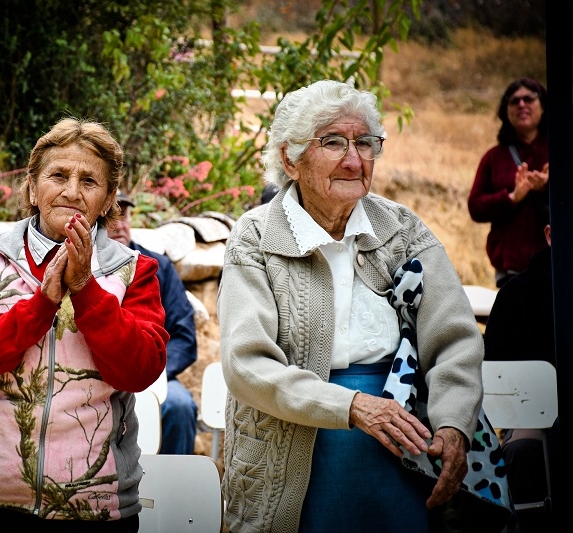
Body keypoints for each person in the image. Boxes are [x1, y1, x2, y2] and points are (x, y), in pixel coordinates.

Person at [217, 80, 497, 533]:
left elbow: (456, 341)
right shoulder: (256, 237)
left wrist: (452, 423)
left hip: (403, 445)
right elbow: (246, 363)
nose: (353, 159)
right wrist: (353, 406)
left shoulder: (403, 229)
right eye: (332, 142)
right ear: (290, 159)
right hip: (297, 442)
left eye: (365, 142)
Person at [0, 117, 168, 532]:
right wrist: (41, 305)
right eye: (58, 175)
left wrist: (87, 291)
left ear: (109, 197)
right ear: (31, 187)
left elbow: (141, 370)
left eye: (90, 181)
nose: (72, 192)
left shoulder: (135, 271)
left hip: (95, 504)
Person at [108, 191, 199, 454]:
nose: (119, 224)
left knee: (180, 405)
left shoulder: (159, 267)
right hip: (100, 379)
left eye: (123, 215)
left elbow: (184, 336)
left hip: (156, 375)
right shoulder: (83, 269)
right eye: (110, 216)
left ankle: (174, 491)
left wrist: (152, 377)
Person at [484, 216, 556, 533]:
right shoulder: (518, 294)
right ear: (550, 235)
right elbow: (497, 374)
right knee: (523, 450)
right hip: (532, 423)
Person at [468, 77, 550, 288]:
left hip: (558, 265)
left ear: (544, 106)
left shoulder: (561, 151)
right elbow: (475, 207)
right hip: (511, 273)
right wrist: (512, 198)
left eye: (529, 99)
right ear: (506, 111)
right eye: (514, 101)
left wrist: (550, 187)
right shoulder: (493, 157)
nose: (521, 105)